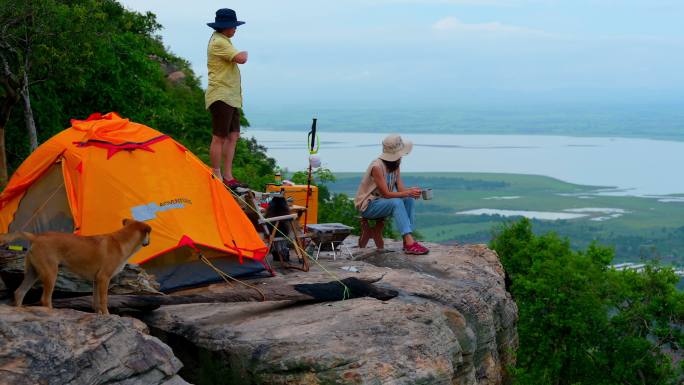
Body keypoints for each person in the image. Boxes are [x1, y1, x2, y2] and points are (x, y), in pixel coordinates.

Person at [354, 134, 429, 255]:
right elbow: (387, 194)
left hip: (383, 202)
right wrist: (407, 192)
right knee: (396, 202)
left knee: (408, 200)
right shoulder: (377, 167)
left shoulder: (395, 165)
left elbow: (400, 189)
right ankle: (410, 243)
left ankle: (407, 240)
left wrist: (411, 192)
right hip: (369, 206)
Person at [205, 8, 248, 189]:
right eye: (233, 26)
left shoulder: (224, 41)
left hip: (230, 96)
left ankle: (228, 175)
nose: (235, 29)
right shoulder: (219, 43)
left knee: (233, 135)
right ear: (225, 27)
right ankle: (217, 173)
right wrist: (244, 53)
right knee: (219, 137)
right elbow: (241, 58)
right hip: (221, 95)